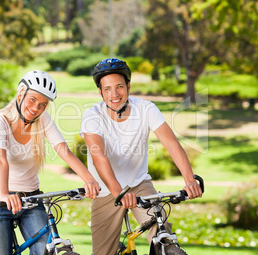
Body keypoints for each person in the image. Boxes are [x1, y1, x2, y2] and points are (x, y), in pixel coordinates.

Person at [79, 58, 203, 254]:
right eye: (108, 89)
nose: (114, 94)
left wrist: (189, 180)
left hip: (139, 184)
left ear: (128, 86)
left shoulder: (146, 108)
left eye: (119, 86)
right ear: (100, 92)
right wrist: (119, 192)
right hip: (106, 190)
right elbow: (99, 157)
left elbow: (171, 144)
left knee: (163, 236)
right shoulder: (92, 116)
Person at [0, 70, 100, 255]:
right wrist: (4, 194)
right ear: (21, 94)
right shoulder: (0, 120)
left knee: (46, 250)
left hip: (32, 200)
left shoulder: (42, 120)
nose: (36, 108)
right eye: (32, 100)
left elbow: (63, 150)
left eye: (43, 104)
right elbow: (0, 159)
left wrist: (89, 180)